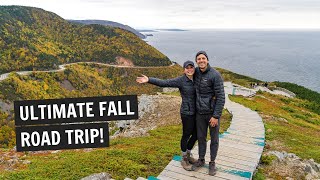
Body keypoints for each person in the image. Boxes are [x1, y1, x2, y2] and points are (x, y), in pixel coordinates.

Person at [136, 61, 198, 171]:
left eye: (191, 67)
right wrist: (149, 80)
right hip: (187, 112)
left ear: (194, 68)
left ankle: (188, 154)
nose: (189, 70)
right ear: (184, 70)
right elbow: (164, 82)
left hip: (198, 112)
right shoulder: (181, 80)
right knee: (186, 134)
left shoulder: (198, 78)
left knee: (196, 134)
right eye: (187, 68)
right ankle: (184, 158)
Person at [191, 51, 225, 176]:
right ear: (196, 61)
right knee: (201, 138)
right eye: (198, 59)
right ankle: (201, 159)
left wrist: (216, 116)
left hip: (212, 114)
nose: (201, 60)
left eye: (203, 58)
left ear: (207, 60)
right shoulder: (195, 72)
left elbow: (221, 97)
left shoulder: (215, 75)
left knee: (214, 139)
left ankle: (212, 162)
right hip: (200, 113)